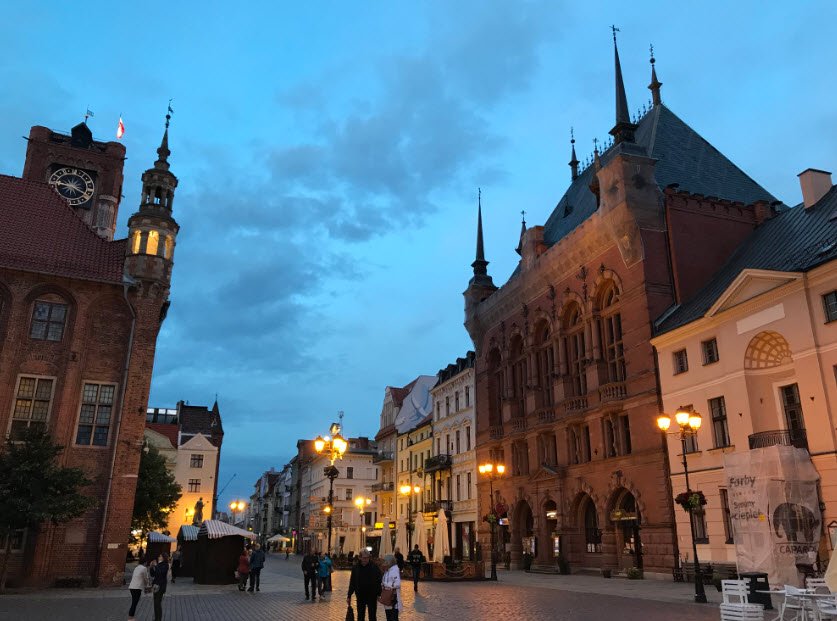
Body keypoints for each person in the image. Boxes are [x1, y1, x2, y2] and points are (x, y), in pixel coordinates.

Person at [347, 549, 382, 621]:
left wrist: (379, 593)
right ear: (360, 558)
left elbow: (379, 581)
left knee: (372, 616)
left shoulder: (374, 567)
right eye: (364, 558)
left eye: (367, 557)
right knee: (360, 616)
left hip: (372, 595)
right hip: (360, 596)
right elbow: (352, 582)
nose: (366, 559)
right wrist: (349, 595)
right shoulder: (356, 568)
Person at [127, 555, 151, 620]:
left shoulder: (136, 568)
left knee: (134, 602)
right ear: (145, 562)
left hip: (132, 587)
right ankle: (130, 618)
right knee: (134, 603)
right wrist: (147, 586)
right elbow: (146, 578)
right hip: (137, 588)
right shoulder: (144, 568)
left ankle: (131, 617)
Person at [381, 554, 403, 621]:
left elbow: (397, 584)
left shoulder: (394, 570)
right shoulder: (387, 570)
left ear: (389, 562)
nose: (384, 563)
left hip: (393, 600)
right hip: (388, 600)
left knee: (393, 618)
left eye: (385, 562)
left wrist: (385, 585)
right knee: (389, 618)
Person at [151, 552, 169, 621]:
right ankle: (156, 618)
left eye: (160, 556)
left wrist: (156, 566)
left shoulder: (166, 565)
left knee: (158, 603)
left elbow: (161, 573)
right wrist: (151, 567)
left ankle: (158, 619)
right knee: (155, 603)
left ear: (164, 557)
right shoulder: (159, 564)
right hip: (155, 586)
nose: (159, 557)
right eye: (159, 556)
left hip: (161, 586)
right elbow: (153, 574)